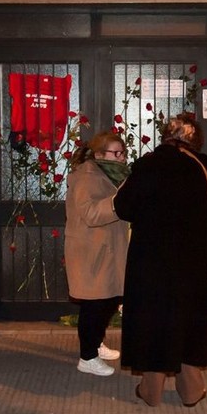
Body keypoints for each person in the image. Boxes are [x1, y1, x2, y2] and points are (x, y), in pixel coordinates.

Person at [113, 113, 207, 406]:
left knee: (152, 317)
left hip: (149, 259)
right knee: (189, 317)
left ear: (166, 136)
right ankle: (191, 389)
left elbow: (123, 206)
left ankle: (151, 390)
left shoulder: (147, 163)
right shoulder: (202, 165)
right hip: (191, 259)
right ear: (195, 140)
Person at [64, 131, 130, 376]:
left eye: (123, 153)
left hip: (107, 249)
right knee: (94, 304)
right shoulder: (86, 176)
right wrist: (119, 200)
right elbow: (91, 214)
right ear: (99, 154)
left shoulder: (111, 174)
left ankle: (96, 343)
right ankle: (87, 357)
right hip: (90, 251)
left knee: (109, 299)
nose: (121, 158)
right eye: (116, 153)